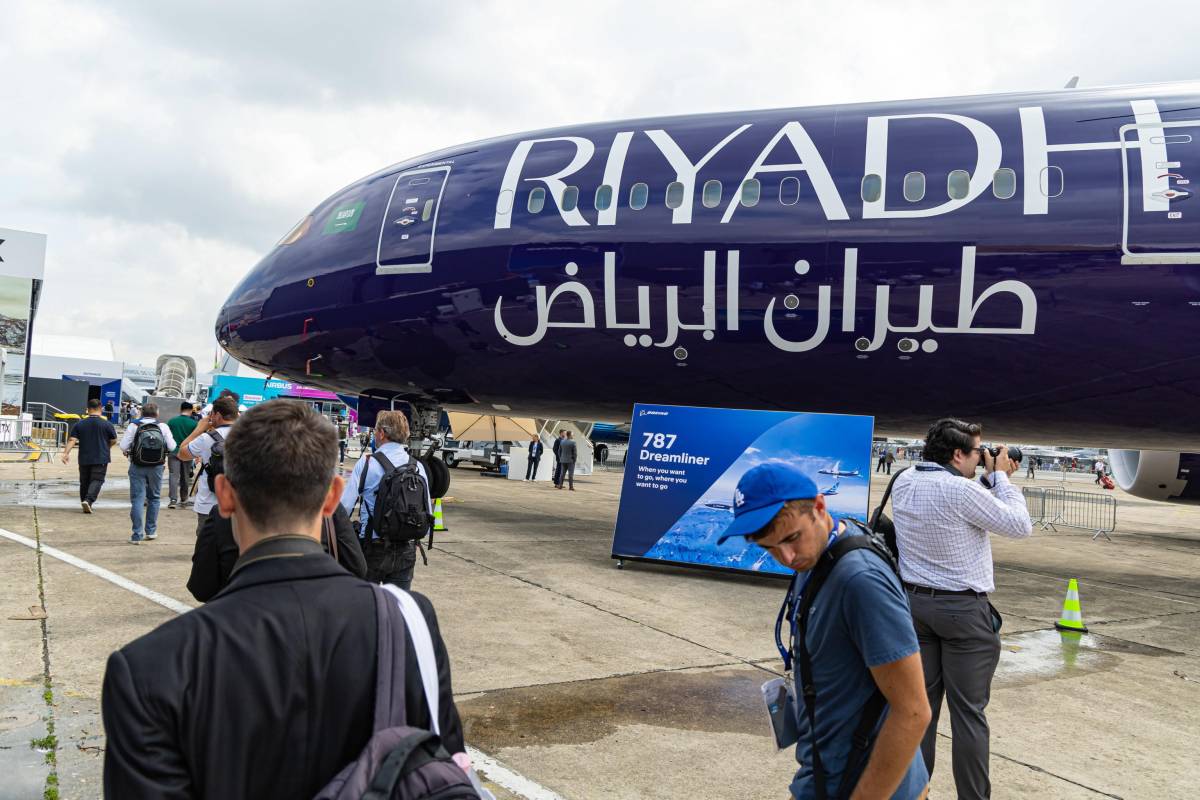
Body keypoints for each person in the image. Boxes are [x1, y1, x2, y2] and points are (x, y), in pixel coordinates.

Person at [102, 400, 468, 798]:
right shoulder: (409, 623)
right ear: (331, 498)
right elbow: (442, 768)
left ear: (223, 496)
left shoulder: (147, 670)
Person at [718, 463, 930, 799]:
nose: (786, 556)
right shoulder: (817, 557)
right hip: (824, 771)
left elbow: (914, 710)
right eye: (769, 548)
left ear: (819, 507)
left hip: (865, 784)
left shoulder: (859, 580)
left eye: (792, 538)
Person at [891, 419, 1033, 800]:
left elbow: (959, 499)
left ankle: (913, 793)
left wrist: (985, 475)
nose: (981, 458)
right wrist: (1001, 478)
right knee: (969, 714)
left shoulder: (904, 480)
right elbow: (1019, 525)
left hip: (914, 607)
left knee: (921, 711)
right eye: (976, 452)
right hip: (963, 613)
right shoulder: (959, 490)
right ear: (957, 454)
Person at [340, 410, 431, 591]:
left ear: (382, 433)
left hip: (373, 548)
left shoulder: (367, 463)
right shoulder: (417, 466)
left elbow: (345, 507)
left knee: (366, 607)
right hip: (406, 549)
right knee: (398, 609)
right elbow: (426, 510)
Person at [177, 396, 239, 536]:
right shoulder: (249, 436)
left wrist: (199, 429)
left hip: (209, 505)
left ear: (217, 415)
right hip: (239, 505)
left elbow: (182, 453)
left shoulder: (207, 438)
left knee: (206, 550)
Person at [119, 403, 176, 544]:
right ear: (157, 413)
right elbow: (172, 446)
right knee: (154, 498)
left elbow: (123, 446)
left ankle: (137, 534)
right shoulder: (163, 427)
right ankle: (151, 531)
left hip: (137, 465)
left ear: (142, 413)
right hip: (157, 466)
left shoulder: (134, 425)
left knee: (138, 499)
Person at [61, 399, 118, 513]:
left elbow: (72, 439)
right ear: (100, 408)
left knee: (84, 481)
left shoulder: (80, 424)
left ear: (88, 409)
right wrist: (106, 447)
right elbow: (114, 440)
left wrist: (66, 453)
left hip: (84, 457)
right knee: (97, 480)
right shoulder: (107, 424)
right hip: (101, 457)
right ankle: (88, 500)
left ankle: (85, 502)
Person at [166, 401, 198, 509]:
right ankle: (184, 499)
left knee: (173, 476)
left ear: (181, 409)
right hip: (187, 452)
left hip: (173, 451)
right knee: (185, 477)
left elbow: (167, 437)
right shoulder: (194, 423)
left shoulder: (172, 421)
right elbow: (196, 439)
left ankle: (173, 500)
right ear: (190, 410)